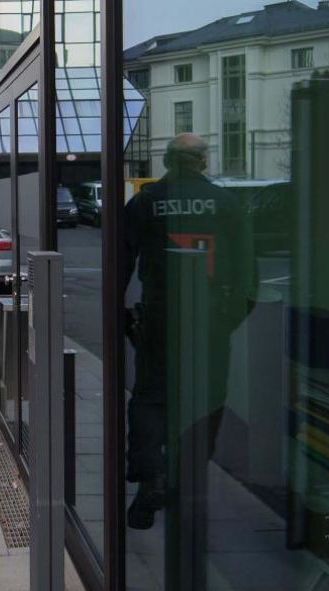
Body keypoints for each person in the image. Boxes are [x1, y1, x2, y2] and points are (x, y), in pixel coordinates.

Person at [121, 133, 257, 530]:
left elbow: (120, 264)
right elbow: (249, 278)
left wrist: (126, 318)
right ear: (201, 161)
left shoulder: (145, 203)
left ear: (166, 160)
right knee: (208, 401)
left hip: (160, 319)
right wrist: (226, 321)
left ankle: (152, 479)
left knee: (149, 399)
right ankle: (187, 484)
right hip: (211, 317)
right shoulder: (228, 204)